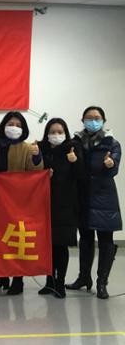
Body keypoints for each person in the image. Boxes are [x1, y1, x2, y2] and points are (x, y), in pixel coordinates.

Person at [67, 106, 121, 299]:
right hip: (82, 196)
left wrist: (111, 164)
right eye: (89, 118)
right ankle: (84, 278)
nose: (93, 121)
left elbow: (114, 169)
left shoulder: (112, 143)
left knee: (106, 240)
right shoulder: (76, 142)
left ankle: (101, 282)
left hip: (104, 197)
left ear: (103, 121)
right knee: (85, 239)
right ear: (82, 120)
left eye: (97, 118)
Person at [0, 111, 44, 296]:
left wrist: (37, 156)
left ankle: (18, 279)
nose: (14, 128)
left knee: (16, 240)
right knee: (0, 240)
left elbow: (36, 172)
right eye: (11, 124)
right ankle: (2, 277)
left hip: (19, 201)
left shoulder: (28, 148)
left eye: (18, 125)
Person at [38, 118, 84, 299]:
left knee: (61, 245)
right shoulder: (41, 148)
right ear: (46, 134)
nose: (56, 135)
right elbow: (31, 171)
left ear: (65, 133)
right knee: (47, 246)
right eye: (52, 132)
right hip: (44, 204)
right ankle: (49, 282)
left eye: (60, 131)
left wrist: (75, 161)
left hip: (66, 204)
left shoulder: (72, 148)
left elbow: (81, 175)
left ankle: (60, 283)